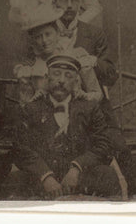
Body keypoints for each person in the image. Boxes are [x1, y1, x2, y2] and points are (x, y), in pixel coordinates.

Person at [8, 54, 121, 199]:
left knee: (108, 175)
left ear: (76, 81)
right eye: (56, 74)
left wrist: (77, 168)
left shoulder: (89, 108)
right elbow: (20, 148)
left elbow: (103, 146)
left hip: (79, 177)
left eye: (68, 76)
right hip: (42, 177)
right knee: (15, 181)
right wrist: (45, 176)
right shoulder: (31, 109)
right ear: (47, 77)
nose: (61, 80)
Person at [13, 3, 103, 104]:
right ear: (33, 40)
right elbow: (25, 106)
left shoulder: (77, 56)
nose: (44, 41)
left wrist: (84, 95)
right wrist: (34, 98)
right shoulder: (30, 68)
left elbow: (98, 95)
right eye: (38, 37)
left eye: (48, 34)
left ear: (57, 33)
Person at [51, 0, 118, 88]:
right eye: (64, 0)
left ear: (79, 4)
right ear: (54, 4)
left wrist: (94, 61)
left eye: (74, 1)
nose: (69, 6)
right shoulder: (42, 33)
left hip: (85, 100)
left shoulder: (95, 34)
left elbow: (111, 75)